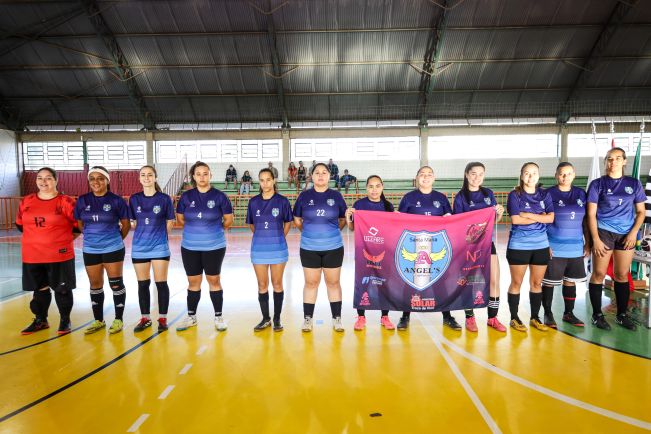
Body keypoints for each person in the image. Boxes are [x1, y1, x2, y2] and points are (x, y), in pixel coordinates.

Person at [587, 147, 645, 331]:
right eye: (610, 159)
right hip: (604, 232)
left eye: (618, 158)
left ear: (624, 161)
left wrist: (633, 233)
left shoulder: (634, 183)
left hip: (626, 234)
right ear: (606, 161)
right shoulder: (597, 184)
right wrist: (595, 239)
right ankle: (597, 315)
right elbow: (591, 214)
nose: (613, 162)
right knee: (599, 274)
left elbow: (641, 212)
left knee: (621, 274)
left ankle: (621, 315)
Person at [17, 167, 78, 335]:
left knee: (62, 289)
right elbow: (20, 225)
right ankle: (41, 320)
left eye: (48, 178)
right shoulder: (27, 201)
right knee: (40, 289)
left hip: (59, 255)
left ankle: (65, 320)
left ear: (56, 180)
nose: (43, 181)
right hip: (32, 255)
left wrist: (60, 240)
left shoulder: (65, 201)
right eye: (40, 178)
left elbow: (78, 226)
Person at [176, 161, 234, 332]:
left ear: (210, 175)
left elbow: (228, 220)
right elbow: (180, 219)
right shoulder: (186, 197)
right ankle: (191, 317)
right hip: (190, 247)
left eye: (205, 173)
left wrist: (212, 230)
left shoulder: (220, 196)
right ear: (193, 177)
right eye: (198, 174)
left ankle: (218, 317)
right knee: (193, 282)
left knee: (214, 280)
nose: (202, 177)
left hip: (214, 246)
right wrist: (196, 229)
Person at [398, 166, 458, 331]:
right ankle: (405, 316)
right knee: (410, 281)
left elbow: (450, 220)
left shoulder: (441, 198)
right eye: (422, 174)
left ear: (434, 178)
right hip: (413, 244)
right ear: (417, 177)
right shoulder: (408, 198)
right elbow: (399, 221)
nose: (426, 177)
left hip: (436, 245)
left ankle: (447, 316)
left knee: (441, 280)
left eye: (429, 174)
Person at [74, 166, 131, 334]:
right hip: (90, 249)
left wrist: (114, 239)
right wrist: (92, 237)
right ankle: (98, 320)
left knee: (115, 284)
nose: (96, 182)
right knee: (95, 284)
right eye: (92, 178)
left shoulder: (117, 200)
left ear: (107, 180)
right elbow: (80, 224)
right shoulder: (82, 200)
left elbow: (126, 224)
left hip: (112, 247)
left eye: (100, 178)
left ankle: (118, 319)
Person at [452, 162, 506, 332]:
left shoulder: (488, 194)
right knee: (469, 282)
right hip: (468, 246)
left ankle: (492, 318)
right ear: (466, 174)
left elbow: (493, 221)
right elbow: (458, 224)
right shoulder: (460, 197)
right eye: (473, 173)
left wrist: (499, 213)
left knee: (494, 280)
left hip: (487, 243)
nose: (477, 177)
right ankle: (470, 318)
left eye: (481, 174)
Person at [293, 163, 347, 332]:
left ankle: (337, 318)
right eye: (317, 172)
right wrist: (308, 232)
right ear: (312, 176)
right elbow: (297, 220)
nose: (321, 175)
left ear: (329, 176)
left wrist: (331, 233)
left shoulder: (336, 196)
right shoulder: (304, 196)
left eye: (324, 172)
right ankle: (307, 319)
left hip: (333, 247)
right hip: (309, 248)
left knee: (333, 283)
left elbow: (342, 219)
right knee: (311, 283)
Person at [506, 162, 554, 332]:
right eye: (527, 173)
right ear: (521, 176)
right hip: (519, 245)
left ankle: (535, 317)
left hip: (541, 245)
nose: (530, 176)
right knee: (516, 283)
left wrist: (527, 214)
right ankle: (514, 318)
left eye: (534, 173)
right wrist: (540, 216)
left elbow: (551, 218)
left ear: (538, 176)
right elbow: (516, 220)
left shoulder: (545, 194)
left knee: (536, 283)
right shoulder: (515, 195)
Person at [540, 162, 589, 328]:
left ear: (574, 175)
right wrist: (545, 244)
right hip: (554, 247)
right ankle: (548, 313)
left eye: (568, 173)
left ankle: (569, 313)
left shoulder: (581, 193)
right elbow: (541, 220)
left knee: (570, 281)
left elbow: (586, 221)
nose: (565, 177)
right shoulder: (547, 194)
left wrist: (588, 243)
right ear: (556, 175)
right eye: (561, 173)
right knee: (549, 282)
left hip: (575, 247)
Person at [128, 165, 176, 333]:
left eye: (150, 175)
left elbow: (170, 221)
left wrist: (159, 236)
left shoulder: (164, 199)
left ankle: (162, 318)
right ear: (139, 178)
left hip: (159, 246)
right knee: (143, 284)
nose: (146, 178)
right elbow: (133, 223)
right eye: (143, 175)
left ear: (155, 178)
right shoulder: (134, 199)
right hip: (139, 247)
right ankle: (145, 318)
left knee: (161, 283)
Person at [345, 175, 396, 330]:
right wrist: (348, 217)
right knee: (363, 282)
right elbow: (352, 228)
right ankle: (361, 317)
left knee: (384, 283)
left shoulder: (388, 206)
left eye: (377, 186)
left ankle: (385, 316)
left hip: (383, 250)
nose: (374, 190)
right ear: (366, 188)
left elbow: (392, 229)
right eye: (371, 186)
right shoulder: (359, 205)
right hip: (364, 250)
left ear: (382, 187)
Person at [246, 168, 293, 331]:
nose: (265, 183)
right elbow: (252, 225)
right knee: (262, 284)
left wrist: (278, 236)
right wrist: (262, 236)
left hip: (278, 249)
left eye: (268, 179)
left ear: (274, 181)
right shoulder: (253, 202)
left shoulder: (282, 201)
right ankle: (266, 319)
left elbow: (288, 223)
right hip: (259, 249)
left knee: (277, 283)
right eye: (262, 180)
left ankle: (277, 318)